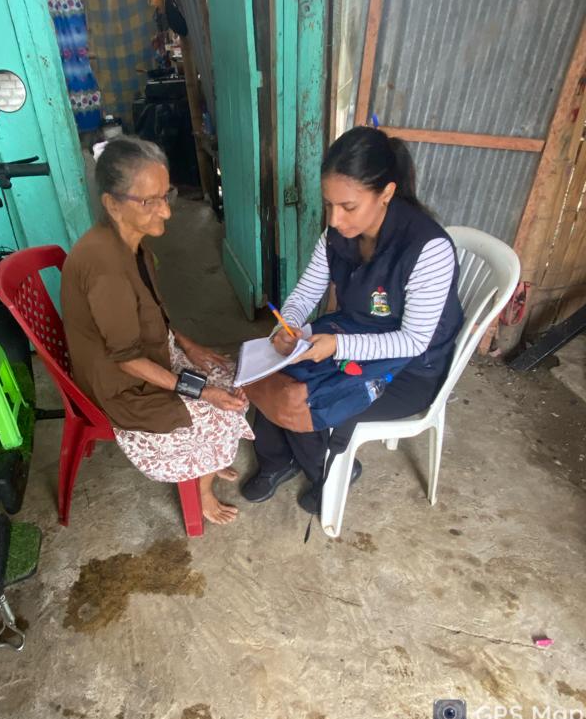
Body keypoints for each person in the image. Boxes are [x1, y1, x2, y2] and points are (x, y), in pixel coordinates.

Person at [240, 125, 464, 513]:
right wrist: (287, 325)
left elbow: (413, 341)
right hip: (355, 332)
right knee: (269, 369)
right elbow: (307, 291)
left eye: (348, 207)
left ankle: (325, 471)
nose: (335, 219)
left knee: (304, 397)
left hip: (411, 369)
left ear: (386, 193)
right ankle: (277, 460)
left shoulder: (428, 249)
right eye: (329, 204)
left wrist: (336, 345)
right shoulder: (338, 234)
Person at [61, 136, 252, 525]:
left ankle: (210, 458)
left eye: (166, 195)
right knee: (215, 410)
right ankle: (202, 488)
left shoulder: (132, 244)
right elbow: (127, 359)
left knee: (232, 378)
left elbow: (152, 309)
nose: (165, 210)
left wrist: (188, 344)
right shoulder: (105, 269)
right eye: (149, 201)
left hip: (148, 353)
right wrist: (202, 392)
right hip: (123, 385)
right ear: (112, 203)